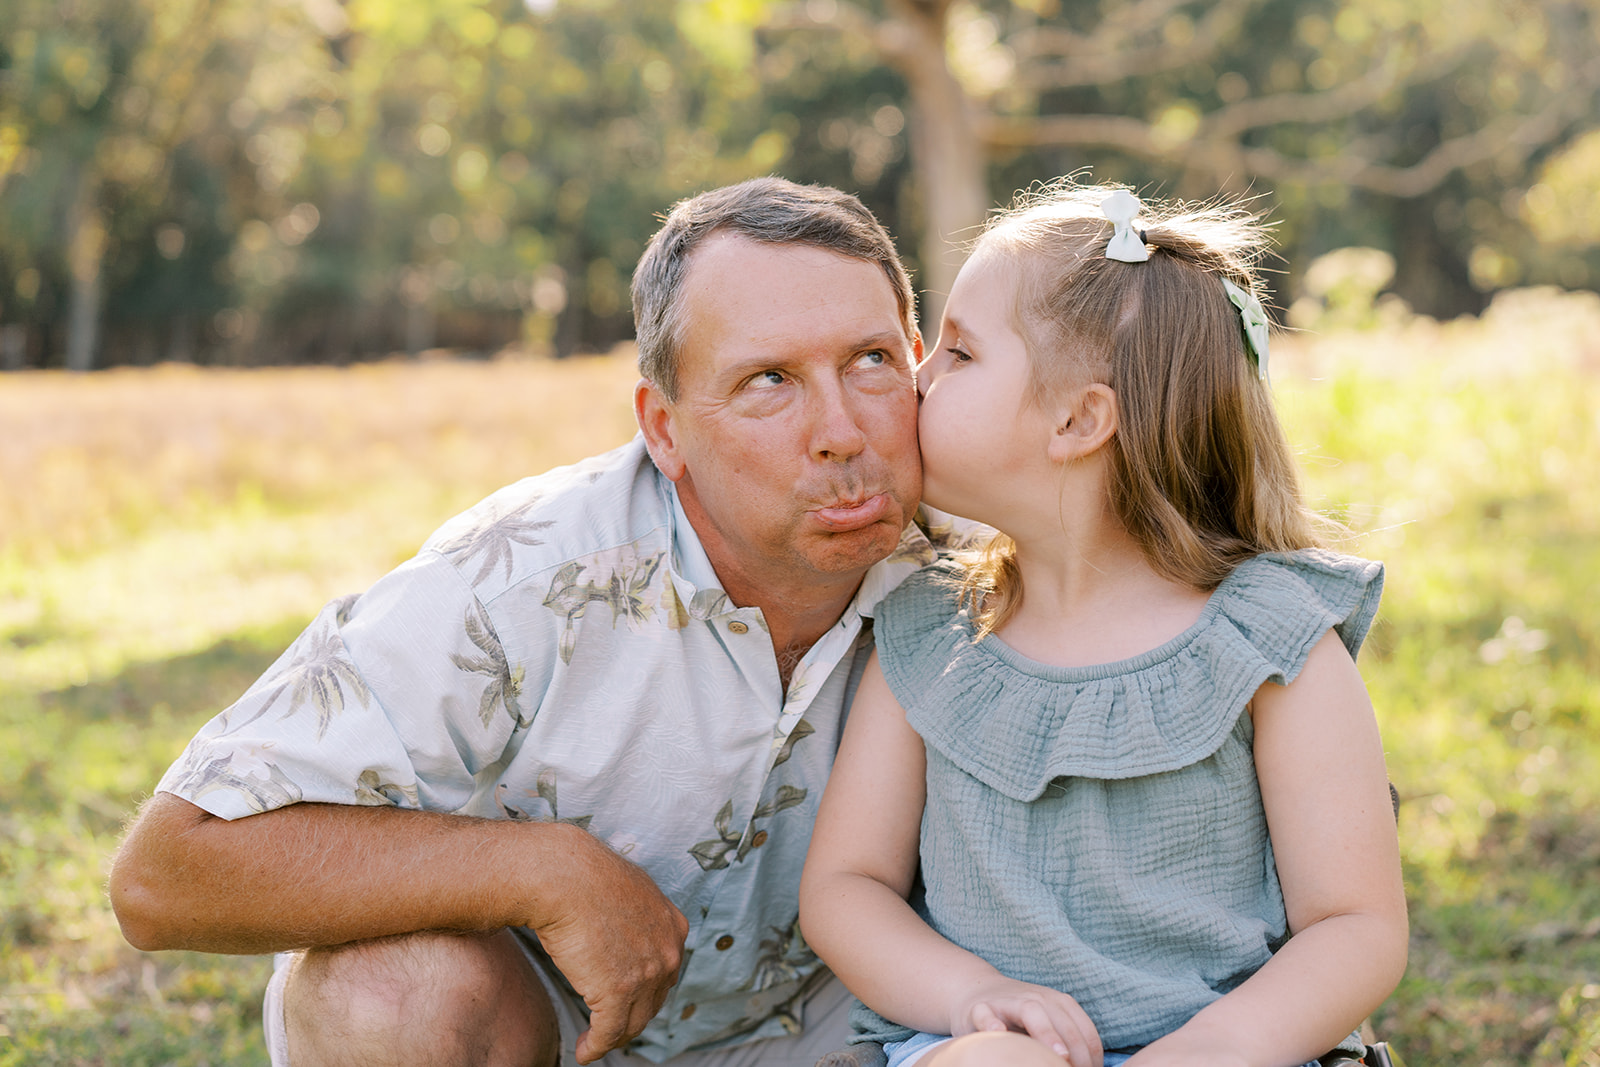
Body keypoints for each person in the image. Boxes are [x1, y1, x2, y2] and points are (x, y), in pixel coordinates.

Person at [109, 176, 939, 1067]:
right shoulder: (519, 581)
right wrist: (539, 868)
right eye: (768, 380)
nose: (844, 431)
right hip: (551, 1038)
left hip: (864, 1033)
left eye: (872, 361)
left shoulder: (995, 559)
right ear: (664, 429)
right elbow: (166, 872)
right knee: (388, 998)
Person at [797, 181, 1409, 1067]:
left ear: (1079, 419)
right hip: (978, 1044)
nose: (916, 380)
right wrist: (972, 995)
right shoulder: (930, 632)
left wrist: (1213, 1050)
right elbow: (846, 889)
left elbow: (1355, 925)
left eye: (958, 354)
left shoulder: (1271, 641)